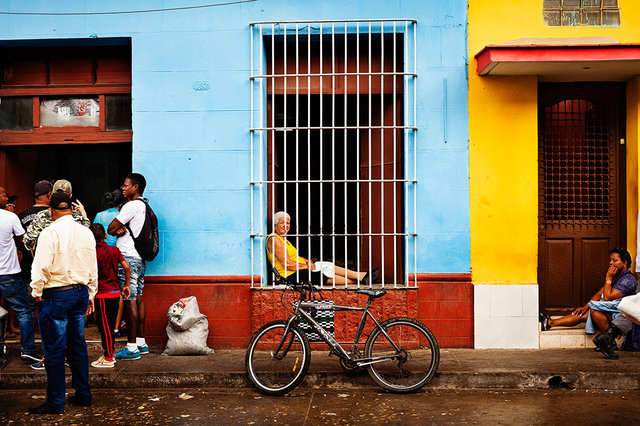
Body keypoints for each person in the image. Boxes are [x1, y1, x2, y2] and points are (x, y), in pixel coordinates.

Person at [28, 191, 97, 415]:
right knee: (77, 345)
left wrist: (36, 291)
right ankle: (84, 395)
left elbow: (41, 267)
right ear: (71, 209)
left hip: (56, 295)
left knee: (55, 350)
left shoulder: (49, 232)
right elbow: (92, 265)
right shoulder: (86, 232)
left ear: (51, 211)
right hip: (80, 293)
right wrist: (91, 293)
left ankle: (56, 402)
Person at [266, 211, 380, 286]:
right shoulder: (274, 239)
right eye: (282, 223)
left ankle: (361, 276)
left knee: (326, 265)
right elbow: (287, 264)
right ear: (275, 225)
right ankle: (360, 280)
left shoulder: (283, 239)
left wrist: (306, 261)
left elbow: (293, 256)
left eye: (288, 223)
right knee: (322, 274)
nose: (286, 226)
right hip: (288, 276)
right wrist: (306, 266)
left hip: (297, 270)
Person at [540, 248, 638, 335]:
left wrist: (608, 278)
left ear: (624, 262)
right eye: (610, 260)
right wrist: (585, 307)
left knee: (592, 312)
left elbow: (608, 297)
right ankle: (549, 323)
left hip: (620, 315)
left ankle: (609, 339)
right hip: (609, 309)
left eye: (614, 260)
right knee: (584, 313)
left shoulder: (628, 279)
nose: (610, 263)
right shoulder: (616, 276)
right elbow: (600, 294)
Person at [108, 173, 150, 360]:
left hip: (128, 259)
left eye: (126, 186)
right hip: (139, 259)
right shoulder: (144, 206)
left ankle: (131, 347)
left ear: (136, 187)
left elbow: (110, 228)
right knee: (138, 298)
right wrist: (119, 228)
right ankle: (141, 343)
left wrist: (117, 228)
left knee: (129, 300)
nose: (123, 188)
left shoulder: (131, 206)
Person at [0, 185, 40, 364]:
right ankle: (28, 350)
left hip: (8, 272)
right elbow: (22, 240)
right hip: (9, 272)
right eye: (3, 194)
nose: (6, 197)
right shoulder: (10, 217)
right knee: (23, 311)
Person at [89, 223, 130, 368]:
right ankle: (108, 353)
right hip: (115, 293)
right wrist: (126, 285)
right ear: (105, 236)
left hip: (102, 295)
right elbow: (126, 266)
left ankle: (108, 357)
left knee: (104, 327)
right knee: (111, 325)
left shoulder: (92, 253)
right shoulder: (114, 250)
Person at [93, 189, 126, 337]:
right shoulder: (121, 215)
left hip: (101, 254)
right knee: (118, 291)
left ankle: (101, 325)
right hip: (118, 254)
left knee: (100, 288)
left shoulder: (100, 215)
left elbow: (93, 232)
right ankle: (116, 327)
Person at [23, 179, 90, 252]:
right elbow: (87, 236)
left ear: (51, 195)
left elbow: (29, 242)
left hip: (49, 259)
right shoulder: (78, 217)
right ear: (70, 196)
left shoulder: (42, 216)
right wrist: (83, 214)